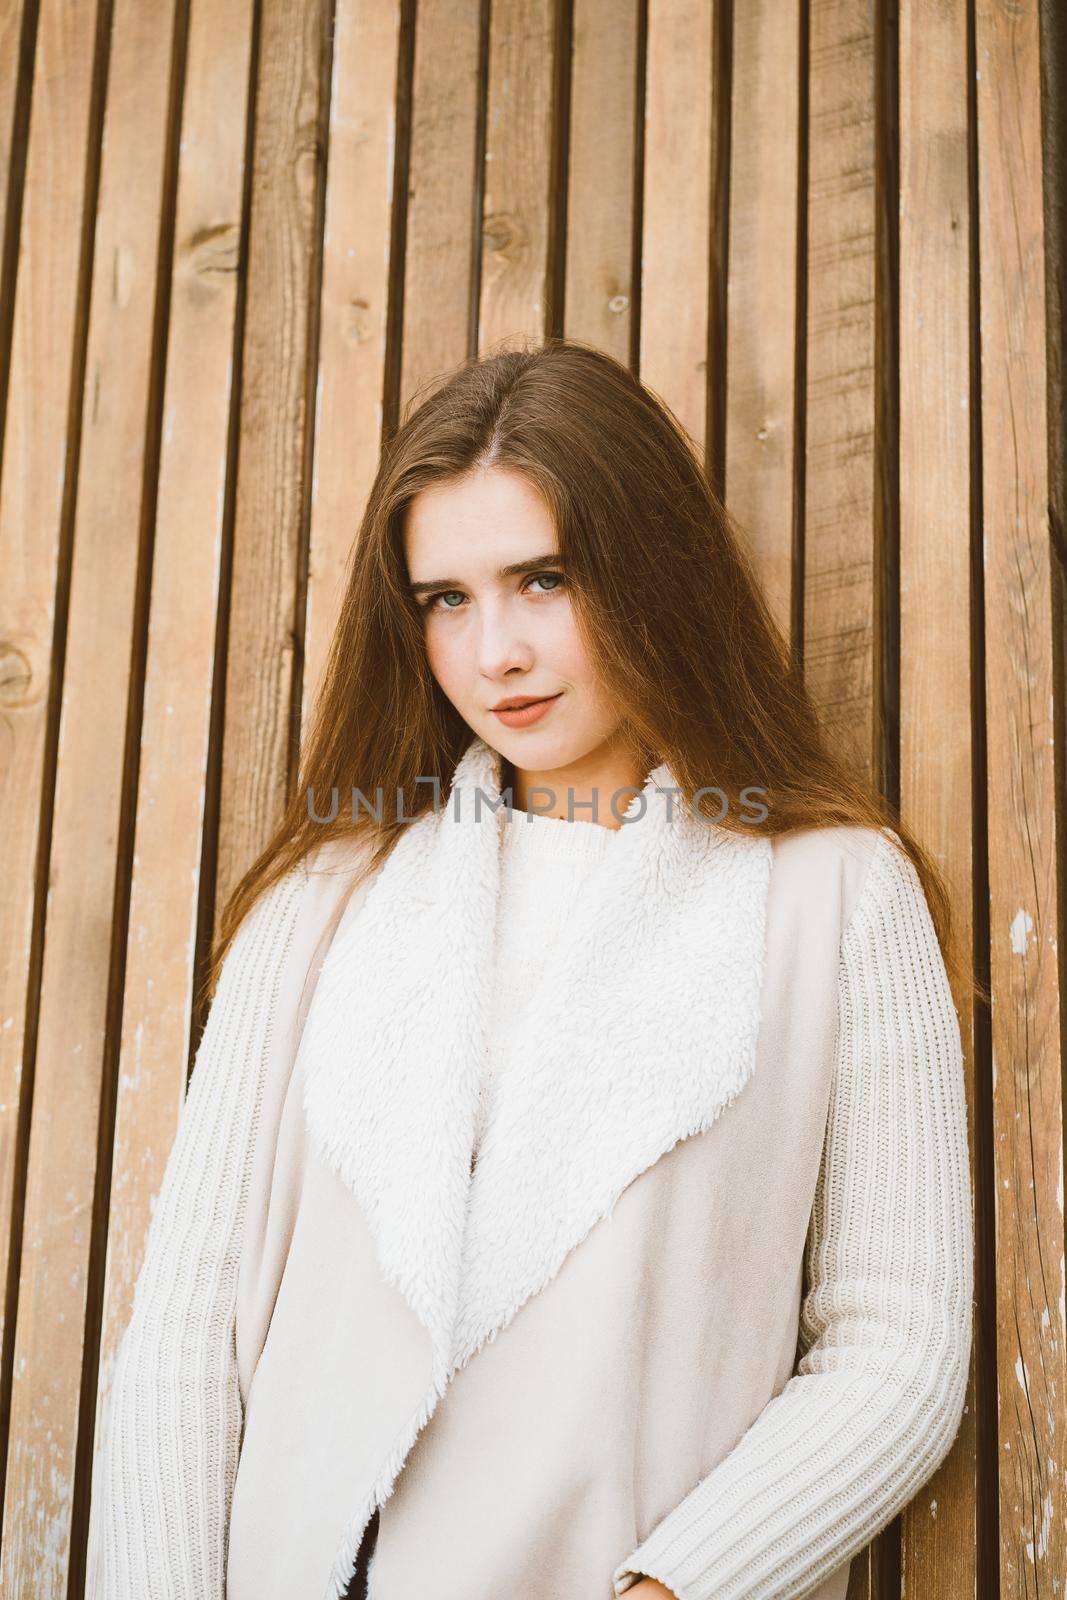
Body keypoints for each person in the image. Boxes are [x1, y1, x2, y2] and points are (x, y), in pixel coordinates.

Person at [86, 339, 975, 1600]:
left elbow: (900, 1341)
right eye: (444, 597)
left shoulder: (831, 895)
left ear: (650, 572)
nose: (492, 649)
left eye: (541, 579)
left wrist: (670, 1590)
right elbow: (187, 1333)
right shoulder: (323, 902)